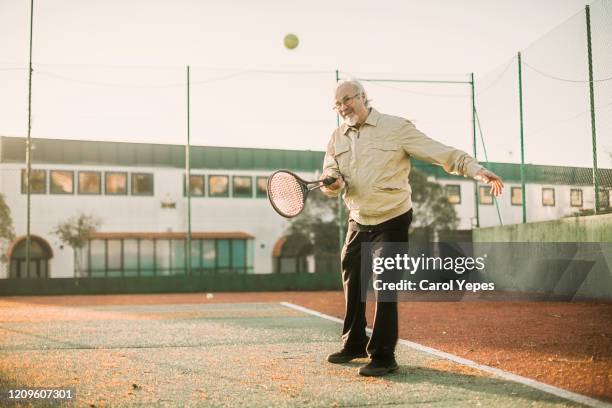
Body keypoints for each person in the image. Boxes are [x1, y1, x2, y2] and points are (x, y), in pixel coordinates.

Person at [321, 80, 503, 377]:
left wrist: (475, 169)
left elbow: (439, 152)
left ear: (364, 97)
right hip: (358, 218)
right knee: (352, 279)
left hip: (393, 217)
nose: (343, 108)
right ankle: (353, 342)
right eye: (337, 104)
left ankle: (383, 356)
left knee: (384, 282)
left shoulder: (396, 127)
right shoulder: (336, 138)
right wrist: (333, 183)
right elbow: (331, 173)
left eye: (347, 100)